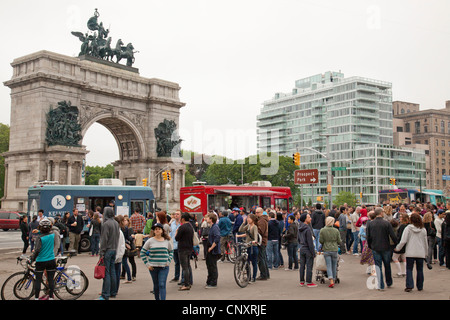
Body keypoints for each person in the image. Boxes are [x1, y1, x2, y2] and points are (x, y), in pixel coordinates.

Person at [394, 213, 428, 292]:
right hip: (420, 252)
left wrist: (398, 248)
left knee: (409, 269)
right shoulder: (423, 229)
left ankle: (409, 285)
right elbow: (425, 242)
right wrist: (426, 253)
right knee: (420, 269)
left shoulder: (408, 228)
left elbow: (403, 240)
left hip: (410, 252)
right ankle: (420, 286)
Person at [366, 207, 398, 291]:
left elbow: (368, 236)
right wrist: (396, 244)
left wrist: (370, 245)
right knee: (387, 265)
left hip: (375, 247)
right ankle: (389, 281)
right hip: (385, 246)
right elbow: (392, 235)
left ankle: (380, 285)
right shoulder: (386, 223)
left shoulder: (370, 224)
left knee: (378, 266)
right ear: (380, 213)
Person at [140, 223, 174, 300]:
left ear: (162, 230)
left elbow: (171, 251)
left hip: (164, 267)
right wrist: (147, 264)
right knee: (156, 286)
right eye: (156, 229)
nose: (157, 230)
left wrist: (168, 261)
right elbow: (142, 252)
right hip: (153, 267)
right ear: (154, 231)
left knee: (162, 284)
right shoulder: (150, 241)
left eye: (159, 229)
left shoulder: (167, 241)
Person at [29, 218, 59, 300]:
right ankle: (51, 297)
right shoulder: (52, 235)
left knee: (38, 280)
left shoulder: (39, 238)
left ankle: (36, 298)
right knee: (50, 280)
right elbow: (47, 232)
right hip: (51, 260)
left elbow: (37, 250)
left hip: (41, 261)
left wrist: (32, 259)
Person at [97, 207, 120, 300]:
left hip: (107, 250)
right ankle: (113, 292)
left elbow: (104, 239)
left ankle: (105, 294)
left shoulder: (106, 224)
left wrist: (101, 252)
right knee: (112, 271)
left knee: (106, 273)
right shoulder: (116, 223)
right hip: (114, 249)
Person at [319, 217, 341, 288]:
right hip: (334, 249)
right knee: (334, 265)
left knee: (328, 265)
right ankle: (333, 279)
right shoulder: (336, 230)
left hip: (326, 249)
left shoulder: (322, 230)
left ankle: (331, 279)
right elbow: (339, 241)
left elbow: (321, 241)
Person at [237, 213, 259, 282]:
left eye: (249, 218)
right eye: (247, 218)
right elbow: (240, 230)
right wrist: (243, 223)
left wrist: (255, 241)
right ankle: (249, 277)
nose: (248, 219)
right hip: (247, 245)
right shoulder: (248, 226)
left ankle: (253, 277)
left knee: (254, 262)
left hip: (253, 246)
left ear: (253, 219)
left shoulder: (255, 227)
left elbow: (255, 235)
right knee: (247, 261)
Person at [175, 212, 194, 291]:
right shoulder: (190, 226)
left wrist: (176, 232)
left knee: (184, 267)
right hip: (189, 248)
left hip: (182, 249)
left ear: (182, 219)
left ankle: (186, 284)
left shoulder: (182, 227)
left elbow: (177, 238)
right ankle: (189, 281)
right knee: (188, 266)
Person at [298, 213, 317, 287]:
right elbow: (310, 242)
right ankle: (308, 281)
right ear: (305, 219)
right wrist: (313, 253)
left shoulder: (299, 227)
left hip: (302, 248)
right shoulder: (308, 229)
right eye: (309, 217)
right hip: (308, 249)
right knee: (309, 265)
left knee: (302, 266)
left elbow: (298, 239)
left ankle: (302, 281)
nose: (310, 218)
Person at [204, 213, 221, 288]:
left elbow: (217, 237)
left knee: (212, 266)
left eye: (207, 218)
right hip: (210, 249)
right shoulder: (212, 227)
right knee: (209, 265)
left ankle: (213, 282)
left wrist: (211, 247)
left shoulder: (215, 227)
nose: (206, 219)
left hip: (213, 250)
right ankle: (210, 280)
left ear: (211, 219)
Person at [393, 213, 409, 277]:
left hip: (400, 243)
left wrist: (397, 245)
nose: (400, 218)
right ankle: (405, 272)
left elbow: (399, 236)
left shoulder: (402, 226)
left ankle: (399, 272)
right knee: (404, 258)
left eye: (401, 217)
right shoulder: (408, 226)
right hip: (405, 244)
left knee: (394, 257)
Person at [255, 207, 270, 280]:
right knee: (263, 258)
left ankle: (263, 274)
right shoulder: (263, 220)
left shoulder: (261, 221)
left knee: (261, 259)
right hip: (263, 241)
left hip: (261, 241)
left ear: (261, 212)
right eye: (256, 212)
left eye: (257, 212)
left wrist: (254, 230)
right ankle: (266, 274)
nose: (256, 214)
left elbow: (260, 231)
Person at [169, 210, 182, 283]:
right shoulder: (172, 224)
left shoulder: (182, 224)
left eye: (177, 214)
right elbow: (170, 235)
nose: (176, 215)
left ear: (180, 215)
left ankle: (183, 279)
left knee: (182, 263)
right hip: (174, 245)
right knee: (176, 262)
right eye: (175, 214)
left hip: (180, 245)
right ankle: (176, 277)